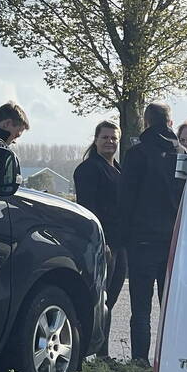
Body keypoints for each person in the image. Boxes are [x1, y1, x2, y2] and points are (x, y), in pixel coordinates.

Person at [119, 103, 187, 365]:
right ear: (170, 123)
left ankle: (139, 359)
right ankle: (169, 359)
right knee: (169, 306)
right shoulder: (182, 154)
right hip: (172, 241)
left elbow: (125, 199)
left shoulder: (137, 154)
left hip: (142, 241)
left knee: (141, 306)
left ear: (146, 122)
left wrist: (123, 239)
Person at [73, 121, 126, 358]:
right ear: (95, 140)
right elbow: (88, 208)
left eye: (114, 138)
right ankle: (90, 350)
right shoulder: (88, 170)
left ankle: (103, 352)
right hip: (101, 243)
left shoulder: (119, 169)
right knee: (99, 299)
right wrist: (100, 242)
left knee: (111, 298)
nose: (110, 142)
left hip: (120, 242)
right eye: (105, 137)